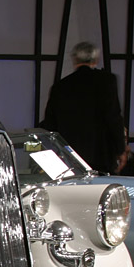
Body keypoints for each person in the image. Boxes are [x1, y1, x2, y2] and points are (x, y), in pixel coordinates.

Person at [41, 42, 125, 174]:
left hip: (69, 156)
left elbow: (50, 124)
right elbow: (113, 117)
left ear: (74, 59)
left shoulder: (60, 86)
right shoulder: (106, 81)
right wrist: (121, 149)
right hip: (100, 154)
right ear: (96, 59)